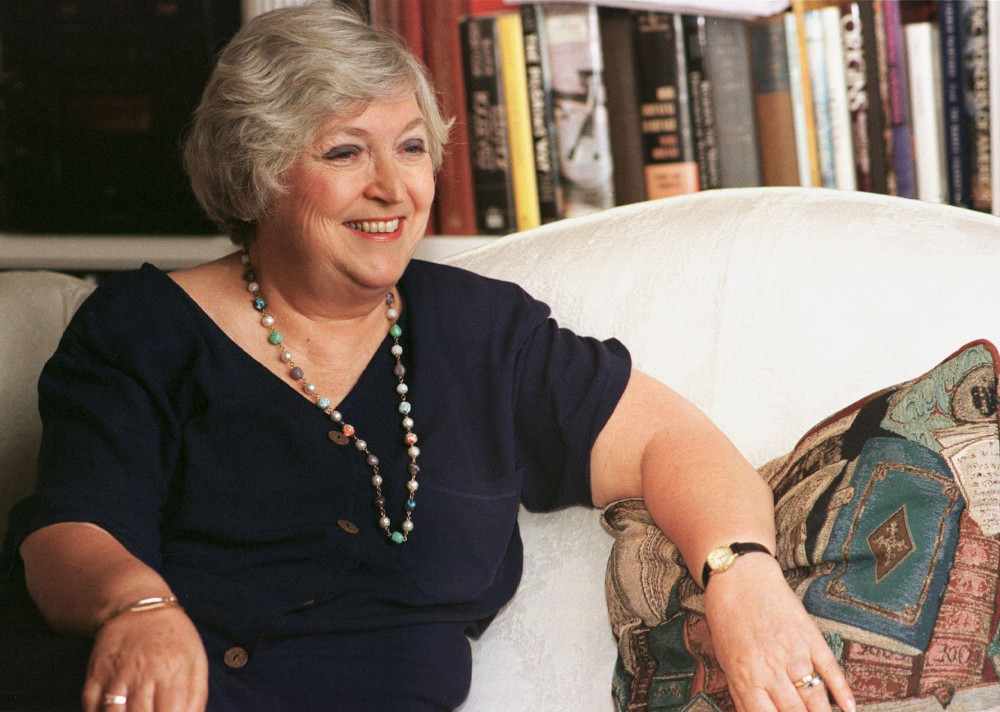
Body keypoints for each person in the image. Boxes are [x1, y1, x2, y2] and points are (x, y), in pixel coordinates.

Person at [0, 3, 857, 711]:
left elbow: (670, 441)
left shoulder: (481, 334)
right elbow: (71, 530)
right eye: (344, 151)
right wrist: (140, 607)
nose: (393, 186)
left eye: (411, 146)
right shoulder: (143, 328)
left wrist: (738, 574)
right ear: (256, 173)